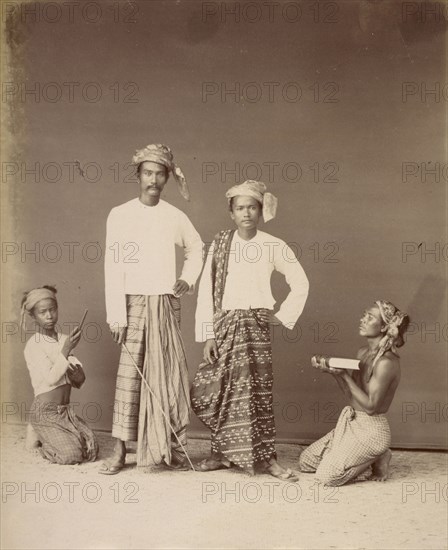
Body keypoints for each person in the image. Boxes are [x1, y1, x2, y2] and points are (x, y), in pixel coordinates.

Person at [192, 180, 309, 481]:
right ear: (231, 213)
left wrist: (282, 316)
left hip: (256, 328)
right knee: (221, 391)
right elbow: (206, 289)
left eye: (252, 207)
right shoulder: (219, 244)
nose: (246, 213)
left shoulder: (273, 244)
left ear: (260, 210)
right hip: (225, 326)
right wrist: (208, 334)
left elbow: (301, 281)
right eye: (240, 208)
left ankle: (268, 458)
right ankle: (220, 453)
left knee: (256, 392)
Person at [101, 143, 203, 474]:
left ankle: (167, 447)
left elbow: (197, 248)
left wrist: (187, 279)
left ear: (167, 178)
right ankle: (119, 451)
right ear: (138, 175)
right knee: (130, 376)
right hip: (133, 303)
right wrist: (116, 315)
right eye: (148, 172)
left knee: (168, 374)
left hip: (165, 303)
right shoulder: (120, 213)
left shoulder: (175, 216)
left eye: (160, 174)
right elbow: (113, 265)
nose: (153, 180)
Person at [298, 300, 409, 486]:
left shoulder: (386, 363)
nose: (363, 319)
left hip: (372, 431)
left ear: (383, 327)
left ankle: (379, 456)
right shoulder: (362, 352)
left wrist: (345, 376)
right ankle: (368, 456)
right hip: (351, 422)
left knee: (327, 477)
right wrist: (335, 375)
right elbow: (353, 399)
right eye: (364, 314)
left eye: (370, 317)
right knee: (306, 461)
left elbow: (372, 408)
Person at [22, 285, 98, 464]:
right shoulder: (34, 344)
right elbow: (51, 379)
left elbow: (78, 381)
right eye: (43, 312)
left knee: (92, 449)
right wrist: (66, 350)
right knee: (71, 455)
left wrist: (78, 374)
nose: (49, 316)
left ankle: (53, 435)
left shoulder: (64, 339)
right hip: (45, 412)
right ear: (33, 316)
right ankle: (38, 434)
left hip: (64, 411)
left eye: (52, 310)